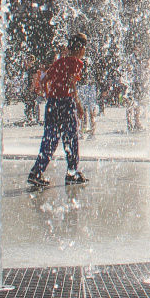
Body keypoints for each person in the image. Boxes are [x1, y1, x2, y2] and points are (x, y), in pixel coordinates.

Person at [27, 34, 89, 187]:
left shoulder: (59, 62)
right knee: (71, 139)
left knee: (50, 139)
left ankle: (37, 172)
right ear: (81, 48)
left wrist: (49, 95)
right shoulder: (76, 63)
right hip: (66, 104)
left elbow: (44, 80)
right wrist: (79, 105)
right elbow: (70, 84)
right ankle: (72, 172)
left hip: (52, 104)